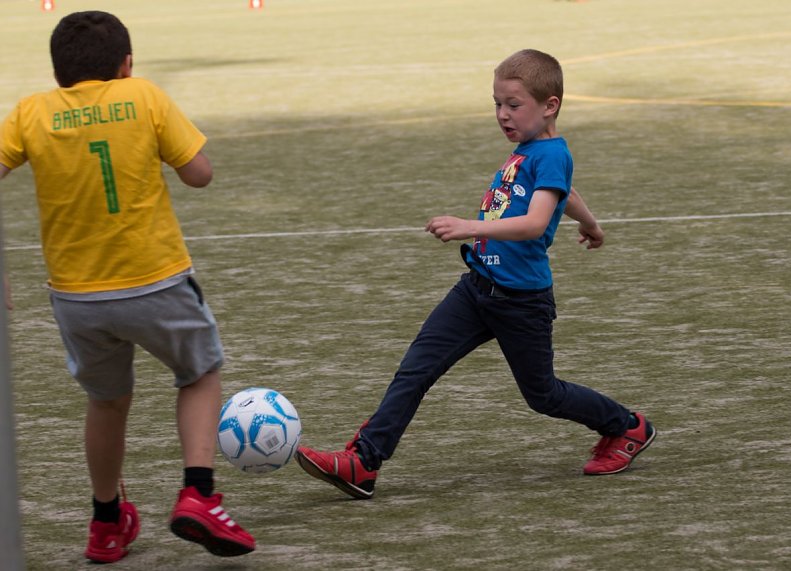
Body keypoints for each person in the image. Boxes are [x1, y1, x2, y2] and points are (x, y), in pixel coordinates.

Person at [295, 49, 656, 500]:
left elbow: (537, 223)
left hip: (520, 301)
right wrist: (590, 223)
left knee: (543, 395)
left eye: (513, 104)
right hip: (476, 288)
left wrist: (470, 226)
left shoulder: (552, 154)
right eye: (497, 104)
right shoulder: (530, 151)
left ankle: (627, 426)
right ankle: (363, 461)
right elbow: (565, 193)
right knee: (415, 369)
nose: (503, 115)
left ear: (550, 105)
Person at [0, 11, 254, 563]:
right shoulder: (143, 96)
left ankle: (107, 521)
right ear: (126, 63)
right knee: (200, 373)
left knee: (107, 400)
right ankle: (199, 494)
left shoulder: (30, 112)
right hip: (154, 279)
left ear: (58, 72)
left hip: (76, 296)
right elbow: (200, 174)